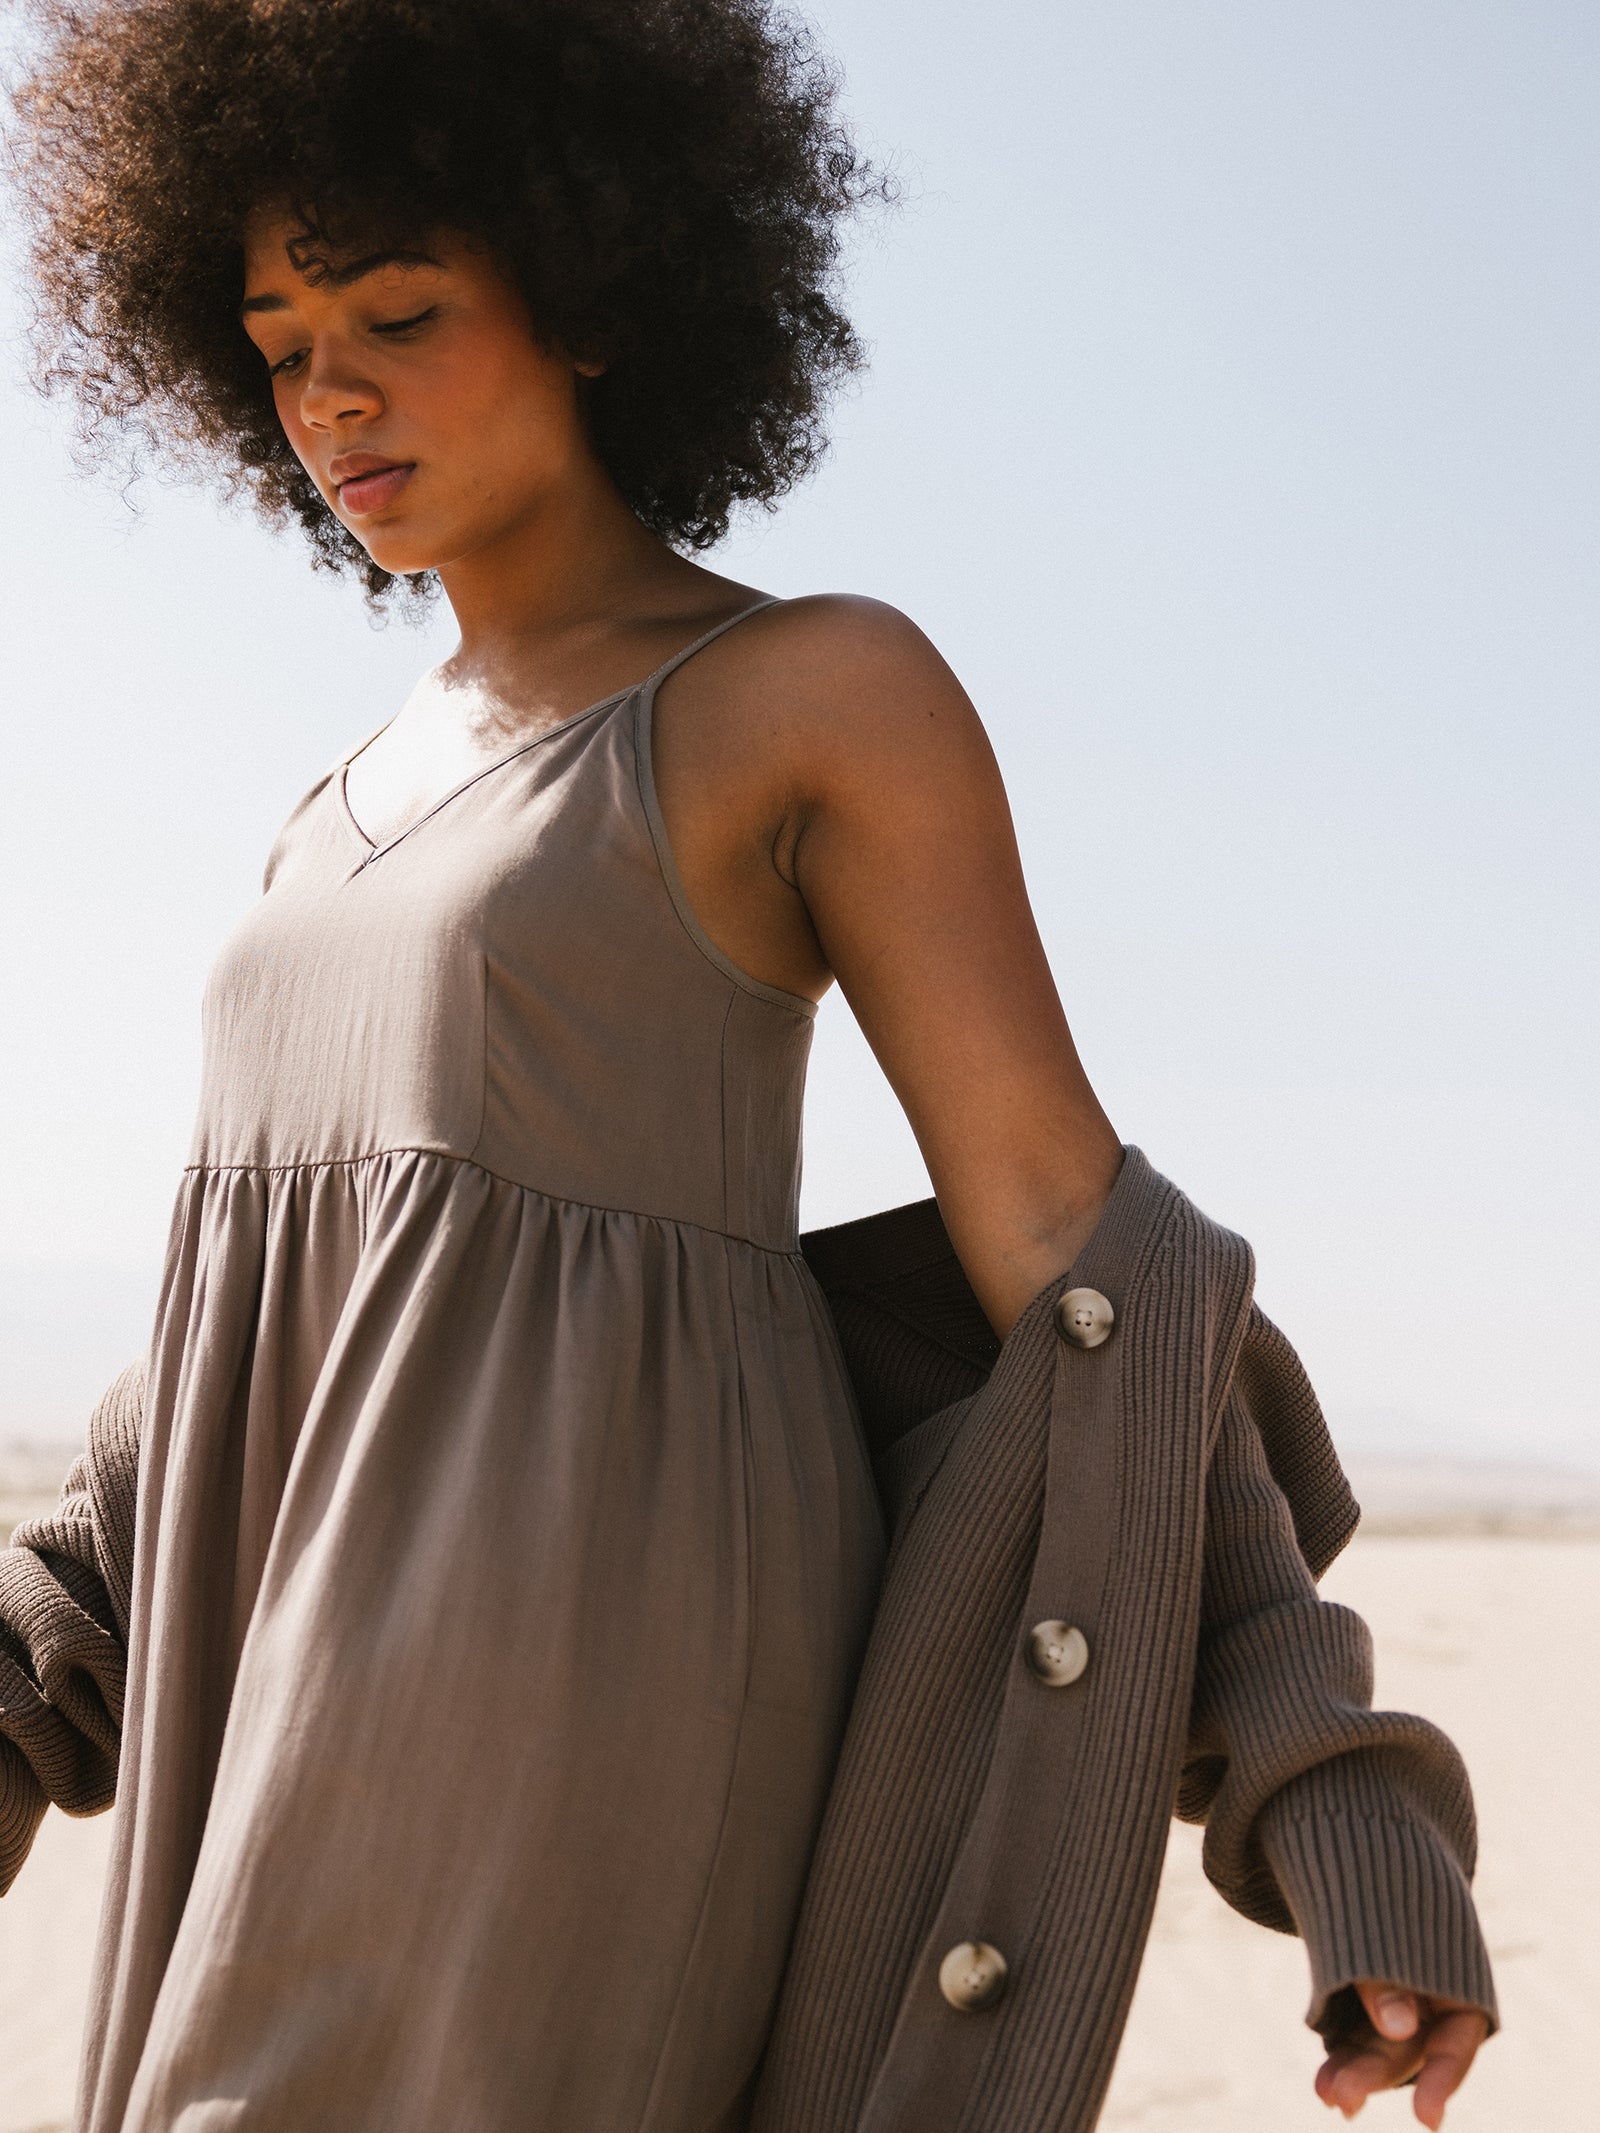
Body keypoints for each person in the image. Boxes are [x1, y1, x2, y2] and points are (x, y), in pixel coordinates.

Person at [0, 4, 1494, 2130]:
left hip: (588, 1698)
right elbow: (257, 1319)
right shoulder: (326, 805)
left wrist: (1334, 1796)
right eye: (274, 337)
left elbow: (1097, 1279)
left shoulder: (806, 692)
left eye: (400, 312)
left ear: (597, 300)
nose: (329, 390)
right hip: (280, 1695)